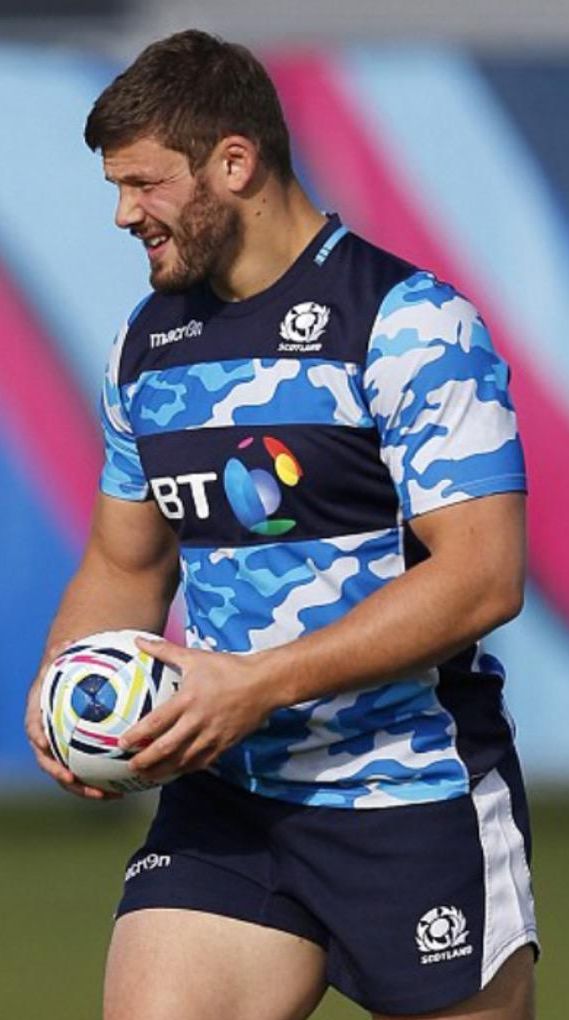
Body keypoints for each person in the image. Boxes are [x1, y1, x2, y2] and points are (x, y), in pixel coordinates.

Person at [25, 28, 538, 1020]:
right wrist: (65, 692)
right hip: (229, 800)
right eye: (114, 188)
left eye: (143, 184)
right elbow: (124, 563)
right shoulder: (146, 343)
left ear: (233, 160)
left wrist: (254, 686)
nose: (126, 214)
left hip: (410, 796)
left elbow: (481, 576)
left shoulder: (408, 324)